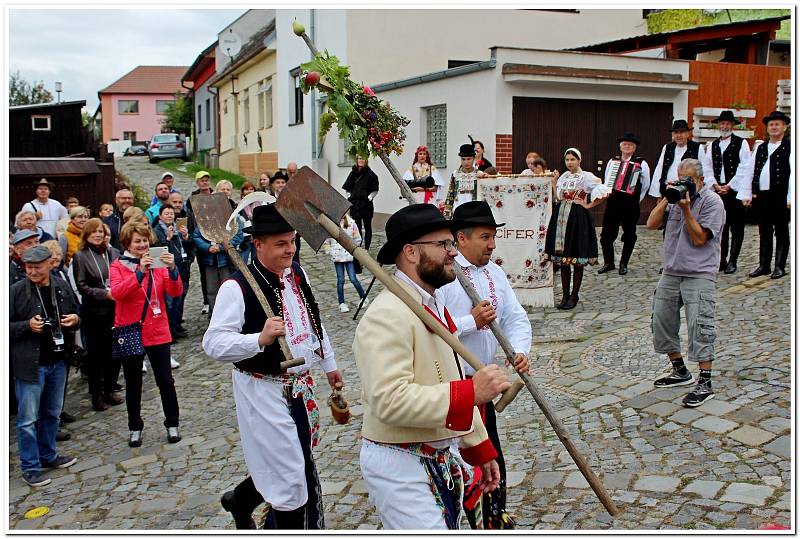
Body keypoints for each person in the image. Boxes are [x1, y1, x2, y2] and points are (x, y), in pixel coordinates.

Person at [353, 204, 514, 529]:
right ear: (411, 252)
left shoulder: (433, 304)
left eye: (450, 243)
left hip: (437, 454)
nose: (453, 252)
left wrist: (479, 448)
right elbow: (389, 400)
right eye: (443, 245)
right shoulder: (386, 315)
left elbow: (447, 376)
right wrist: (472, 391)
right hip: (399, 462)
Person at [203, 204, 342, 530]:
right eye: (281, 244)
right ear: (258, 244)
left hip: (300, 385)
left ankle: (240, 499)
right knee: (291, 474)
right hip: (262, 388)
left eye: (292, 241)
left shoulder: (298, 275)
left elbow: (312, 322)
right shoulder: (236, 287)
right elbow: (213, 343)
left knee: (293, 459)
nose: (290, 249)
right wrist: (258, 339)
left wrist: (329, 364)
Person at [440, 201, 532, 529]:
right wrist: (469, 321)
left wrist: (518, 350)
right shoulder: (445, 274)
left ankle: (494, 517)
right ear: (461, 239)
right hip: (453, 387)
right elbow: (429, 328)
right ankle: (467, 520)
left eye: (493, 236)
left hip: (485, 386)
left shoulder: (494, 273)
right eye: (485, 237)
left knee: (490, 454)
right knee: (460, 460)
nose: (492, 244)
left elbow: (516, 317)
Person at [646, 158, 725, 407]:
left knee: (700, 325)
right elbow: (650, 224)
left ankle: (705, 381)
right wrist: (667, 198)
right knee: (661, 320)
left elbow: (701, 238)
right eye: (681, 178)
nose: (684, 183)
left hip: (699, 272)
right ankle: (679, 370)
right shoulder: (674, 198)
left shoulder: (713, 202)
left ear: (700, 179)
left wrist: (686, 209)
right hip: (671, 270)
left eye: (688, 179)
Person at [10, 245, 80, 487]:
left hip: (57, 360)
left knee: (51, 413)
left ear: (50, 264)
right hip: (30, 364)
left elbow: (76, 312)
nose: (32, 272)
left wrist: (75, 319)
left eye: (37, 267)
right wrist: (26, 326)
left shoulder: (60, 286)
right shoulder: (16, 291)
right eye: (28, 268)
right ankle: (30, 467)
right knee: (27, 419)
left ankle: (48, 455)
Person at [110, 220, 183, 447]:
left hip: (157, 329)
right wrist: (139, 273)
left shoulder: (158, 262)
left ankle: (172, 423)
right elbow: (118, 293)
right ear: (127, 244)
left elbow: (175, 291)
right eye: (137, 241)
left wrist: (172, 269)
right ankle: (135, 426)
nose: (142, 245)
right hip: (132, 330)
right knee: (134, 383)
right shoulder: (118, 266)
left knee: (165, 380)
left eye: (144, 240)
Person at [543, 148, 610, 310]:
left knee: (576, 258)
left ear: (579, 160)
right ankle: (565, 295)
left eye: (573, 159)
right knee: (564, 260)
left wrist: (588, 204)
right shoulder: (564, 177)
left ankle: (574, 295)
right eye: (567, 160)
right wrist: (553, 182)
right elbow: (558, 198)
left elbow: (605, 192)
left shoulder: (586, 177)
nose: (570, 162)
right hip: (561, 217)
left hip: (577, 218)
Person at [72, 218, 124, 411]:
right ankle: (97, 394)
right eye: (94, 232)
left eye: (100, 231)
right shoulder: (81, 256)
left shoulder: (113, 253)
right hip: (95, 312)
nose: (98, 235)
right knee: (96, 355)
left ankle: (110, 388)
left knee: (114, 352)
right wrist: (104, 294)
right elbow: (82, 285)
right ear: (87, 234)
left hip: (115, 309)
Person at [737, 110, 792, 280]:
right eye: (771, 125)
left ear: (784, 127)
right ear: (767, 128)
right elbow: (749, 171)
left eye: (777, 124)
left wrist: (792, 197)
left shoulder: (791, 147)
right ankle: (764, 265)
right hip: (763, 196)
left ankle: (779, 266)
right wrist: (746, 193)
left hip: (781, 196)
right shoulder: (761, 147)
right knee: (764, 231)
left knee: (781, 231)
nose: (774, 127)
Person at [700, 110, 752, 275]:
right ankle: (720, 260)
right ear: (718, 125)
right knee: (720, 227)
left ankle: (733, 261)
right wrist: (714, 185)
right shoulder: (713, 145)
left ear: (732, 125)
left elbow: (745, 166)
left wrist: (730, 185)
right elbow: (707, 167)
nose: (724, 126)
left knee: (736, 228)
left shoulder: (741, 143)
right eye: (722, 123)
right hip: (717, 190)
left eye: (728, 123)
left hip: (734, 190)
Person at [598, 133, 652, 275]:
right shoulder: (612, 161)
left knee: (629, 234)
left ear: (634, 148)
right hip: (613, 203)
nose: (626, 146)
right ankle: (608, 262)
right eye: (624, 144)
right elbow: (607, 179)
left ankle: (624, 263)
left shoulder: (641, 163)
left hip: (631, 204)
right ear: (620, 146)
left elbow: (646, 184)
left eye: (630, 144)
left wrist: (636, 200)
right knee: (606, 234)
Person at [192, 214, 244, 316]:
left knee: (229, 289)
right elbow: (196, 235)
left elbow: (238, 235)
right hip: (210, 261)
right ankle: (214, 315)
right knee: (212, 290)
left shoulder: (232, 218)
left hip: (227, 261)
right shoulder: (204, 218)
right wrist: (207, 247)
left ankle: (231, 315)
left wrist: (221, 247)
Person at [153, 204, 191, 340]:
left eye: (171, 213)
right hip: (167, 270)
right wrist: (167, 239)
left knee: (180, 300)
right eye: (166, 213)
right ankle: (169, 331)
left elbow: (189, 247)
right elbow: (158, 251)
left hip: (182, 267)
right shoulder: (157, 231)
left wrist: (186, 237)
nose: (169, 216)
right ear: (160, 216)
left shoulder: (178, 228)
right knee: (169, 302)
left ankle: (176, 326)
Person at [324, 212, 369, 313]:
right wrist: (330, 251)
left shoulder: (351, 224)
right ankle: (342, 303)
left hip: (348, 256)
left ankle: (363, 297)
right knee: (340, 280)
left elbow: (357, 238)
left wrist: (352, 249)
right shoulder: (331, 224)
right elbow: (327, 241)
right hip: (337, 256)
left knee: (353, 278)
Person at [648, 120, 702, 198]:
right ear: (673, 134)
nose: (679, 135)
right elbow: (659, 169)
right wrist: (658, 194)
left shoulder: (697, 148)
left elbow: (702, 171)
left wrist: (699, 192)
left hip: (687, 192)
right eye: (676, 132)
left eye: (682, 132)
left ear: (687, 133)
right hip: (668, 190)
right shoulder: (667, 147)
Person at [185, 170, 214, 315]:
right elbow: (189, 217)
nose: (205, 182)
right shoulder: (192, 199)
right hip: (198, 237)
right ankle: (206, 301)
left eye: (207, 180)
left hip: (213, 237)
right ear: (197, 182)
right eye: (202, 180)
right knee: (204, 271)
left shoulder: (214, 196)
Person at [342, 156, 380, 250]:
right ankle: (358, 246)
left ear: (366, 160)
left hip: (366, 205)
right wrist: (349, 196)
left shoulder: (371, 174)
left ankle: (366, 248)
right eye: (359, 158)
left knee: (368, 227)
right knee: (357, 227)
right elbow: (347, 187)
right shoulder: (352, 173)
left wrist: (369, 198)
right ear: (357, 160)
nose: (361, 160)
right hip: (355, 205)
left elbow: (375, 189)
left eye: (362, 159)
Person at [444, 143, 488, 218]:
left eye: (469, 159)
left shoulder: (479, 174)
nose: (466, 162)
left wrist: (486, 178)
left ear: (474, 158)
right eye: (463, 159)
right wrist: (447, 215)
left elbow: (486, 194)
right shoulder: (455, 174)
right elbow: (450, 194)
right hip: (458, 212)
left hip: (474, 213)